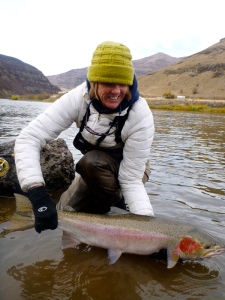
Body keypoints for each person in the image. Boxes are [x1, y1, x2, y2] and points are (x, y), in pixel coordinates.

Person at [14, 41, 155, 234]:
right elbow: (29, 137)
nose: (116, 91)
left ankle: (119, 215)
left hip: (132, 170)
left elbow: (131, 180)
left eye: (122, 83)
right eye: (108, 83)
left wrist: (147, 230)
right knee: (62, 213)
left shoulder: (140, 114)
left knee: (92, 162)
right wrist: (37, 194)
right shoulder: (77, 99)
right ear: (94, 82)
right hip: (95, 170)